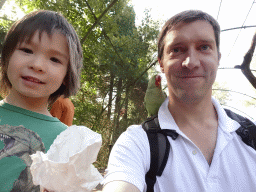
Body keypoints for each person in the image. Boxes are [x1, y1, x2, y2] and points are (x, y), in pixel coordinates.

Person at [102, 10, 256, 192]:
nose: (191, 62)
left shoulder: (250, 135)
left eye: (204, 47)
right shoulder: (137, 143)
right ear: (161, 63)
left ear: (218, 58)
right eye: (176, 50)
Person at [0, 10, 82, 191]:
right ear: (6, 56)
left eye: (54, 59)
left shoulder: (67, 142)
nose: (37, 65)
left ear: (67, 76)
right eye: (26, 50)